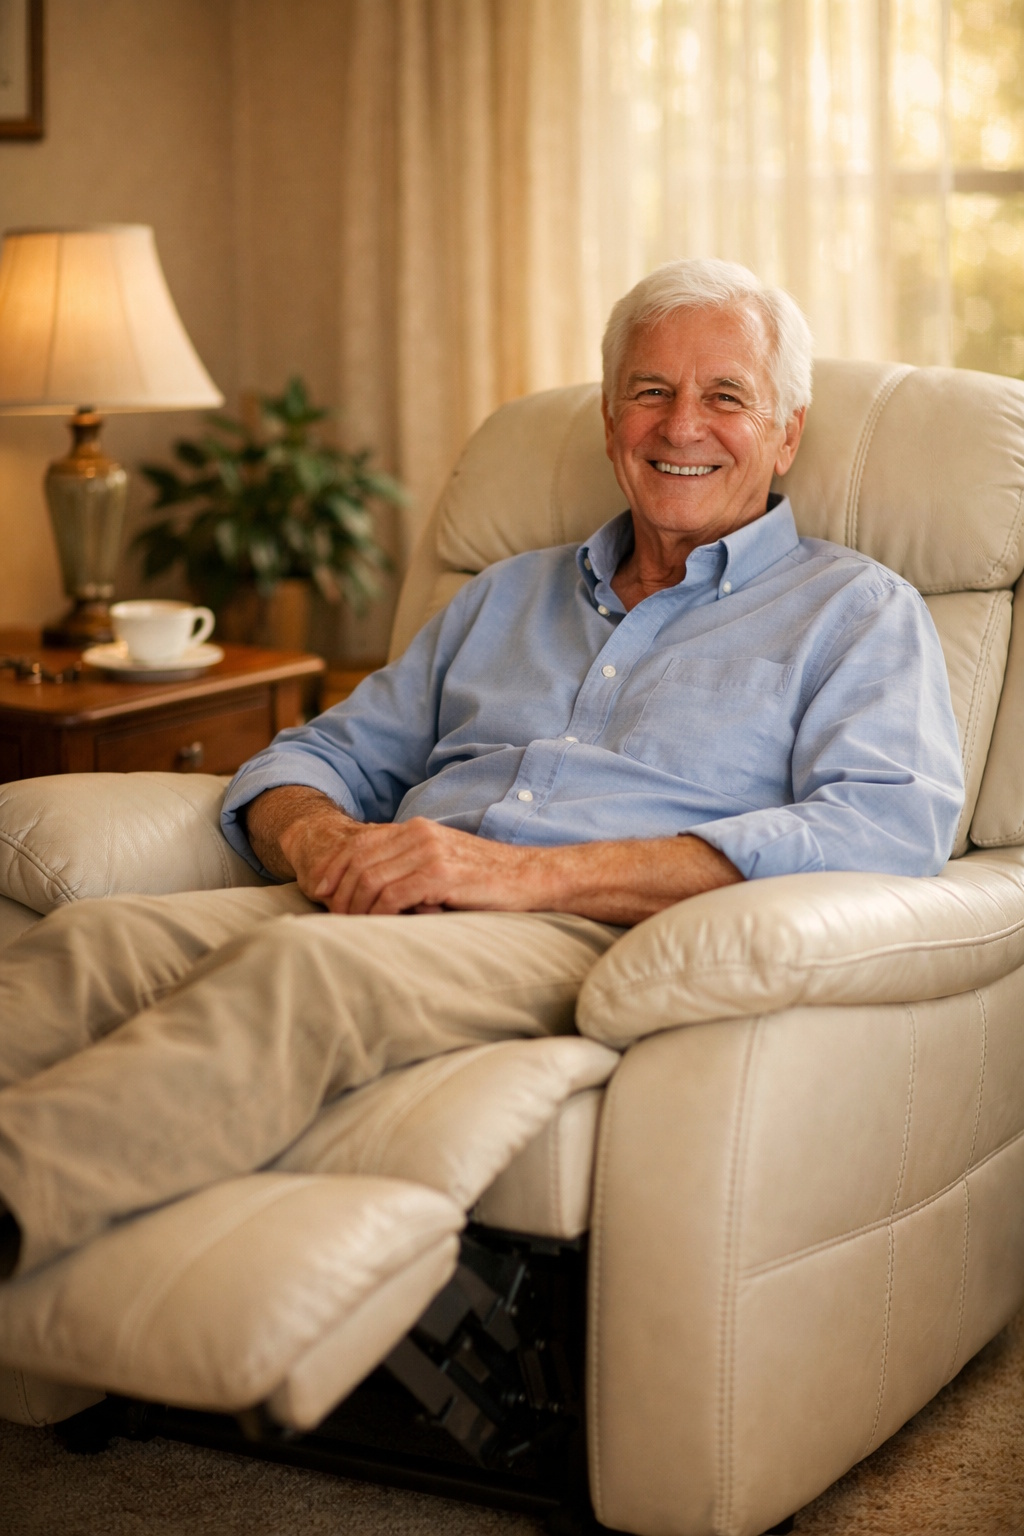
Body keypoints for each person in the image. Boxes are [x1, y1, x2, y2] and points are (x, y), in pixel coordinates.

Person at [0, 259, 963, 1284]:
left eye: (725, 396)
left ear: (785, 434)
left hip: (579, 932)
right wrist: (319, 837)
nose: (682, 427)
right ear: (608, 421)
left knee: (303, 974)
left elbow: (888, 825)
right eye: (650, 392)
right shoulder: (504, 594)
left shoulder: (855, 610)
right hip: (376, 893)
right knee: (96, 941)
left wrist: (514, 875)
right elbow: (315, 754)